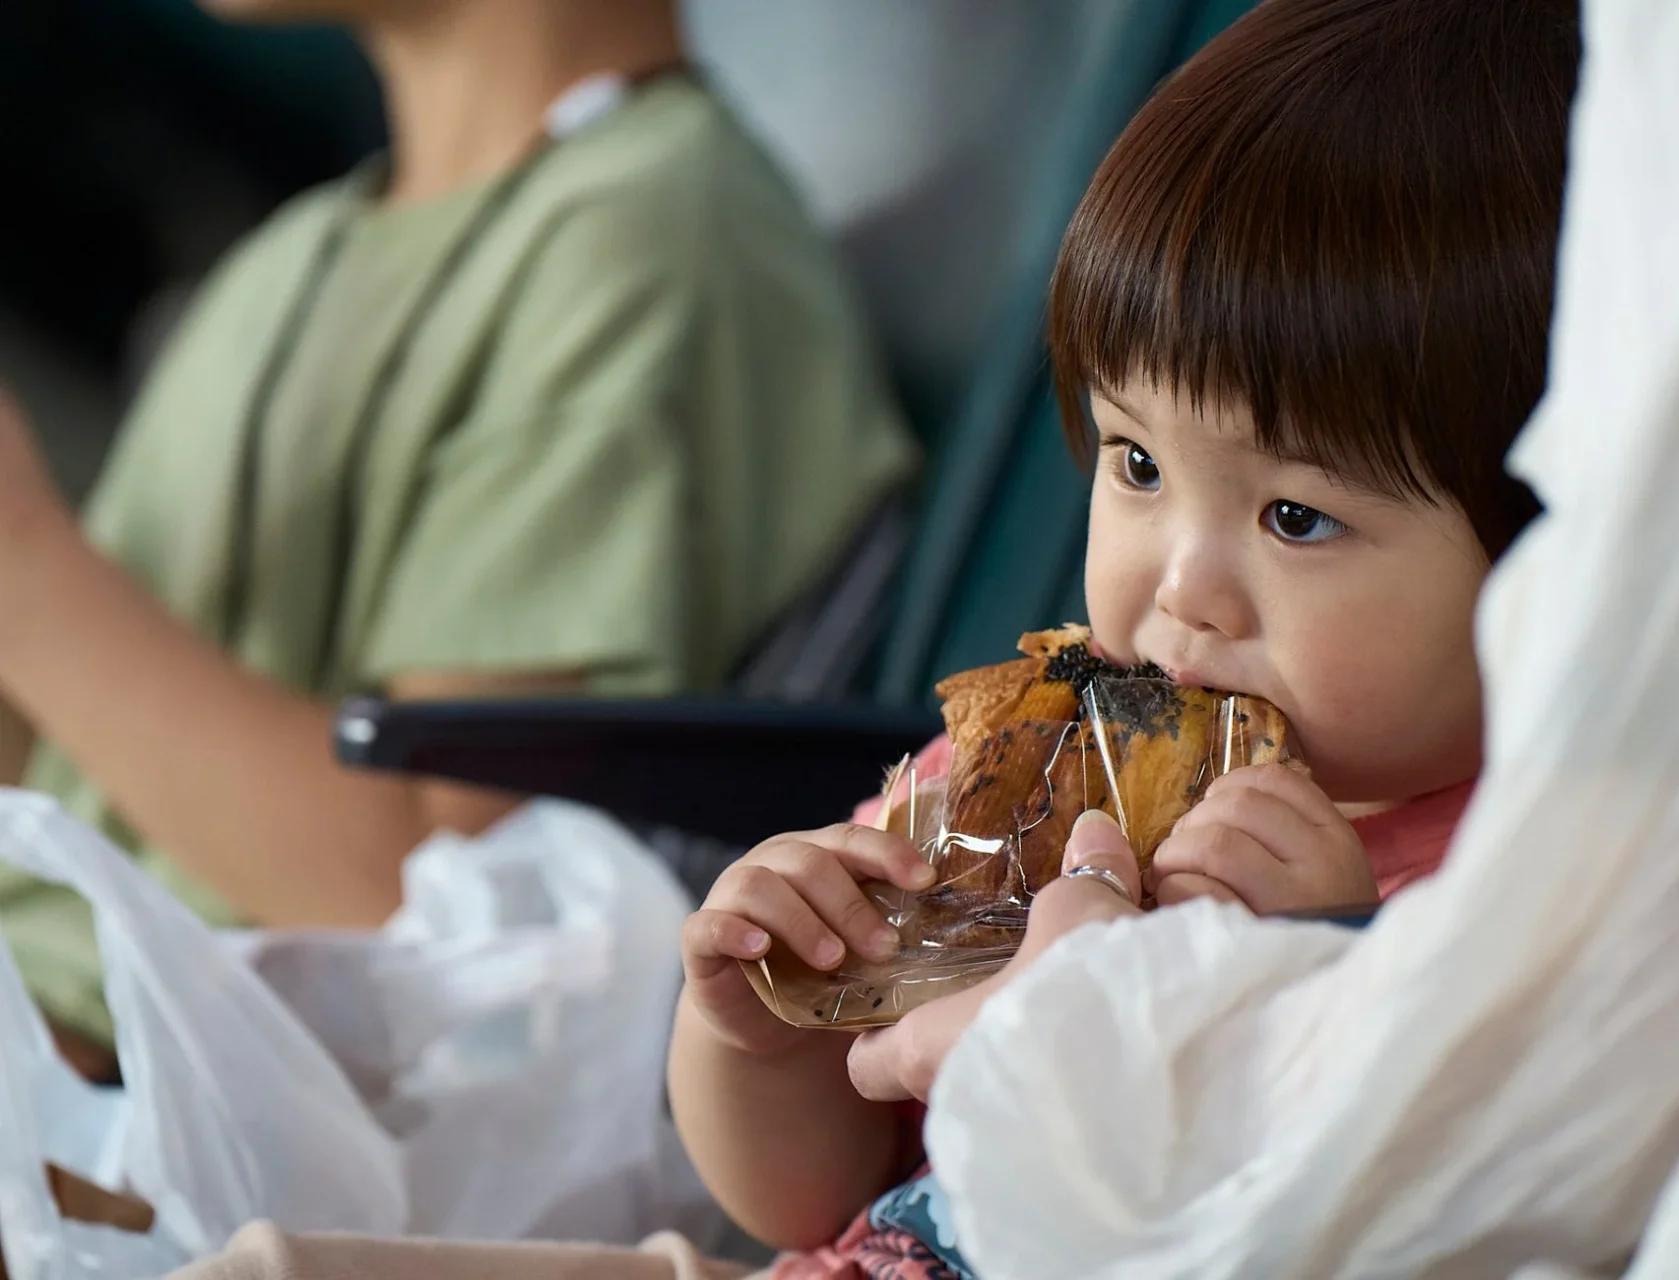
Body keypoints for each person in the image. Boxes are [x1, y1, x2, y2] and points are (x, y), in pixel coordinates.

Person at [166, 0, 1575, 1274]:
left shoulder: (1496, 908)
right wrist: (762, 1037)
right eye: (1138, 468)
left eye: (1297, 520)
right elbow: (797, 1200)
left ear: (1551, 557)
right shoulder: (1011, 789)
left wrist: (1302, 976)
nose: (1181, 590)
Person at [0, 0, 916, 1074]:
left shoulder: (641, 235)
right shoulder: (292, 257)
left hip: (154, 1140)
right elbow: (66, 794)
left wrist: (26, 567)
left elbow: (416, 893)